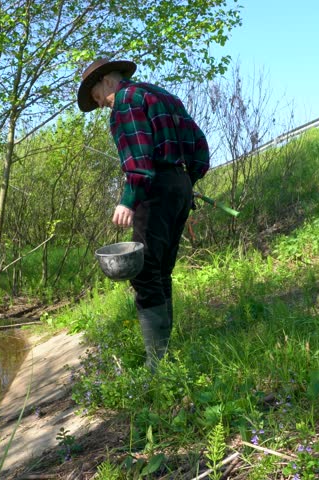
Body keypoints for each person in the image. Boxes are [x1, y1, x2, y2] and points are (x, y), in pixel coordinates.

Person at [77, 58, 210, 371]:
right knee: (161, 270)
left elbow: (138, 160)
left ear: (106, 81)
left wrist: (127, 199)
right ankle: (165, 356)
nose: (99, 104)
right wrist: (186, 182)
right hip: (181, 185)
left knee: (145, 271)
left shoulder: (123, 102)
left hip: (154, 189)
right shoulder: (163, 96)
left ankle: (157, 365)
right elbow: (200, 148)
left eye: (95, 95)